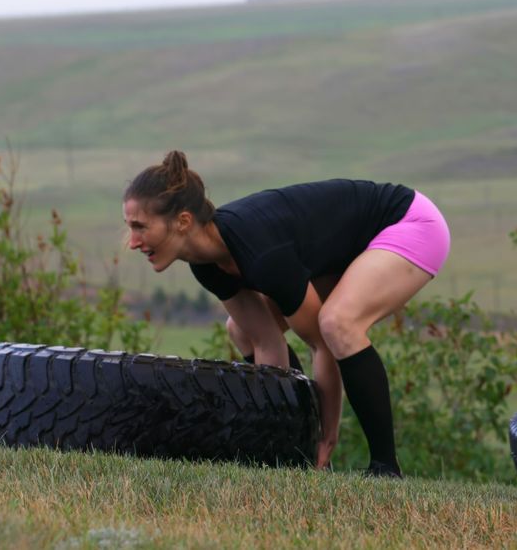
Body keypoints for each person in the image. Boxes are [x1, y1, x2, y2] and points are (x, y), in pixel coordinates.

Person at [122, 151, 451, 478]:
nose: (132, 242)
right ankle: (296, 451)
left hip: (410, 222)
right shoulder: (206, 267)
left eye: (140, 227)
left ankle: (384, 467)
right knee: (240, 329)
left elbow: (321, 344)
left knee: (337, 323)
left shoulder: (262, 253)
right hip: (342, 250)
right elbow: (266, 342)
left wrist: (325, 434)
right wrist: (276, 436)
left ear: (182, 221)